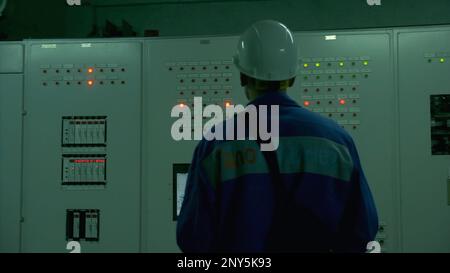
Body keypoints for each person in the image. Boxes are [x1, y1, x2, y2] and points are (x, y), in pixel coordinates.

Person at [177, 20, 378, 252]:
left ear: (243, 76)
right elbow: (362, 232)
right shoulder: (336, 141)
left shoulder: (217, 143)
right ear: (292, 78)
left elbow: (193, 238)